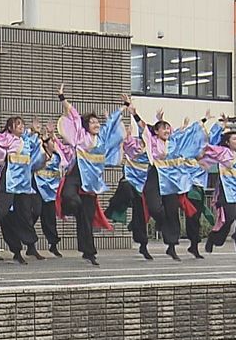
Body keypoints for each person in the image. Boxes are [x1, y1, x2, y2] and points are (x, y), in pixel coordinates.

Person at [55, 84, 125, 266]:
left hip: (91, 184)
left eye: (97, 122)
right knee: (72, 199)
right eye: (92, 122)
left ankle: (89, 252)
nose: (96, 124)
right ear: (86, 126)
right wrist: (63, 99)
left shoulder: (101, 140)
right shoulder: (81, 136)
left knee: (85, 219)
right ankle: (69, 208)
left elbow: (111, 125)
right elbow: (74, 115)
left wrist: (123, 107)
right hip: (76, 176)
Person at [138, 108, 209, 260]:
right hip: (155, 177)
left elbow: (189, 133)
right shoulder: (152, 141)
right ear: (156, 132)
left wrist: (203, 120)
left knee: (172, 212)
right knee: (155, 208)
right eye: (162, 128)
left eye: (167, 127)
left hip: (172, 180)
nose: (166, 130)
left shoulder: (175, 142)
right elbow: (143, 129)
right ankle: (161, 224)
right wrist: (134, 112)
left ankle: (171, 246)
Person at [0, 110, 46, 263]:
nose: (21, 127)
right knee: (2, 211)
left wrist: (36, 132)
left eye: (22, 124)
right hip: (9, 181)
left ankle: (25, 248)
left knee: (25, 215)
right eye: (17, 124)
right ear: (10, 127)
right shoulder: (7, 139)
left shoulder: (26, 141)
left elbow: (38, 150)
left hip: (24, 184)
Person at [200, 126, 236, 261]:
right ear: (227, 142)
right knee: (230, 216)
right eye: (234, 138)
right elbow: (208, 146)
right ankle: (214, 238)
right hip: (226, 190)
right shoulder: (222, 152)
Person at [106, 110, 154, 260]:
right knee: (125, 190)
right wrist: (111, 120)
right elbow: (117, 135)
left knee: (140, 216)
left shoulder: (153, 149)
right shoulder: (131, 142)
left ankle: (143, 245)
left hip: (142, 185)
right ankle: (113, 208)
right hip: (129, 179)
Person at [31, 127, 65, 257]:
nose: (54, 144)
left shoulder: (57, 157)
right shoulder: (39, 155)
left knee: (50, 218)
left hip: (51, 191)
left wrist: (54, 135)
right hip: (37, 188)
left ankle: (53, 245)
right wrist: (39, 135)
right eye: (51, 141)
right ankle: (30, 244)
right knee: (35, 213)